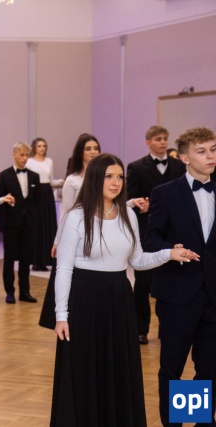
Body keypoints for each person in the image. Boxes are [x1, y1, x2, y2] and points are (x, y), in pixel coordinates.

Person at [51, 153, 196, 427]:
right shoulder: (76, 217)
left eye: (119, 177)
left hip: (119, 298)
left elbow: (137, 260)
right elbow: (64, 269)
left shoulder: (128, 214)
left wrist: (168, 254)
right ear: (95, 178)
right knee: (86, 370)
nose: (116, 182)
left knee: (118, 369)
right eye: (109, 176)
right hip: (85, 300)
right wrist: (61, 315)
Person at [144, 127, 216, 427]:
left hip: (213, 296)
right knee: (172, 368)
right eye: (202, 151)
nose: (210, 156)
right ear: (184, 157)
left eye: (213, 149)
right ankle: (174, 424)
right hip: (177, 295)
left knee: (208, 368)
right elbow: (151, 239)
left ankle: (199, 421)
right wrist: (170, 251)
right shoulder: (165, 193)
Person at [126, 125, 185, 345]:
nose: (163, 142)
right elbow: (129, 198)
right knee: (143, 283)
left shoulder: (180, 166)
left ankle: (167, 328)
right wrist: (139, 204)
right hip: (147, 232)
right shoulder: (136, 167)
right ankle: (140, 329)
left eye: (165, 138)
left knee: (172, 282)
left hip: (175, 232)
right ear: (148, 142)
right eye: (158, 139)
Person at [38, 133, 100, 329]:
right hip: (77, 235)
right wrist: (57, 240)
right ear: (80, 152)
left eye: (96, 148)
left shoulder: (103, 178)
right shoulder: (72, 180)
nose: (93, 152)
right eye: (88, 149)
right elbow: (65, 212)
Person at [0, 142, 41, 304]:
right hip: (11, 223)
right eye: (21, 155)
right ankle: (9, 292)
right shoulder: (5, 175)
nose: (24, 158)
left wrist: (32, 217)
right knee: (9, 259)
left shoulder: (34, 176)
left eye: (27, 155)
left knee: (26, 259)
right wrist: (8, 201)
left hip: (28, 223)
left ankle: (25, 292)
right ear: (14, 154)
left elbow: (37, 201)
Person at [26, 137, 63, 271]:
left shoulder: (49, 161)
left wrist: (62, 182)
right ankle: (36, 260)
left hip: (47, 194)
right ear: (34, 148)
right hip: (35, 194)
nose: (42, 148)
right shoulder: (29, 162)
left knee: (48, 225)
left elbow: (51, 181)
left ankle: (47, 259)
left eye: (44, 146)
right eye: (39, 146)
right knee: (37, 226)